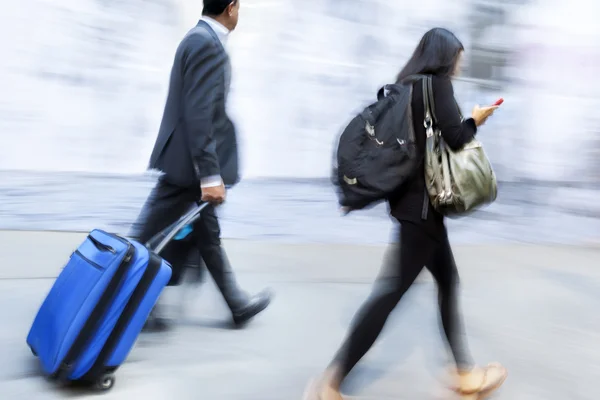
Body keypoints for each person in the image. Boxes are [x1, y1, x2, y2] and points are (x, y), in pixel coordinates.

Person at [305, 28, 507, 399]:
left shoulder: (406, 85)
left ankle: (465, 373)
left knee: (447, 282)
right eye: (457, 58)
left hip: (408, 205)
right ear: (446, 57)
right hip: (424, 211)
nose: (459, 65)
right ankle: (330, 382)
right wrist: (477, 118)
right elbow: (456, 138)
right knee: (390, 293)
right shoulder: (437, 86)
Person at [130, 0, 272, 331]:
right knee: (146, 236)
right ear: (232, 7)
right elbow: (199, 115)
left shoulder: (198, 38)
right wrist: (210, 174)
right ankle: (123, 298)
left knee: (207, 235)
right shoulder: (206, 45)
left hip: (187, 162)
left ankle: (236, 304)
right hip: (189, 167)